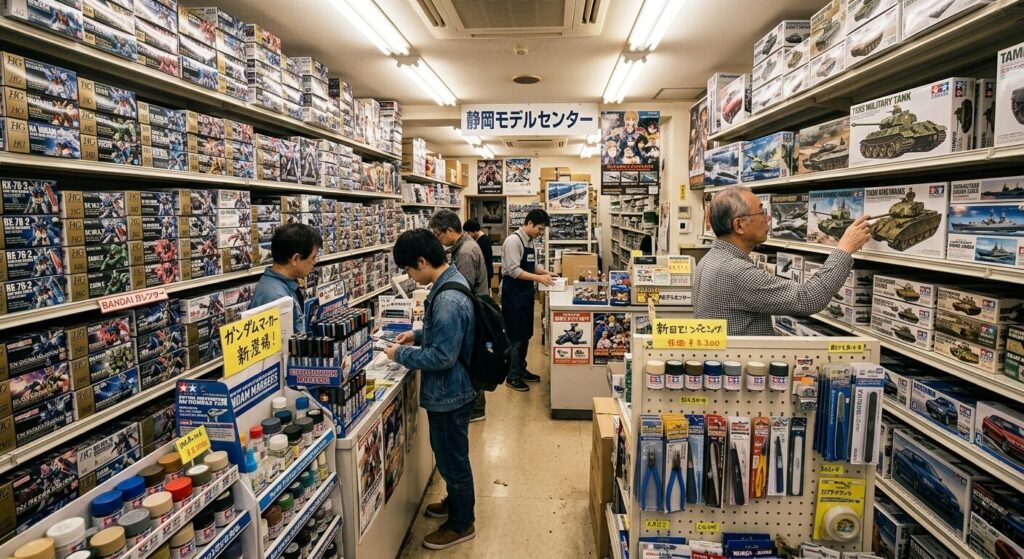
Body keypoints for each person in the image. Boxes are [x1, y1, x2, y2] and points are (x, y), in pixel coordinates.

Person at [384, 229, 477, 550]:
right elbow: (444, 334)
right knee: (450, 456)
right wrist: (418, 335)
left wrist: (400, 354)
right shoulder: (449, 281)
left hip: (450, 393)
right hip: (451, 390)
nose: (409, 276)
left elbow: (442, 356)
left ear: (422, 261)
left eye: (409, 269)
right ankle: (456, 501)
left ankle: (462, 523)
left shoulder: (448, 297)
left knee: (453, 459)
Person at [693, 186, 872, 335]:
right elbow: (808, 299)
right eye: (762, 212)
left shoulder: (710, 259)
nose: (768, 218)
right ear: (739, 225)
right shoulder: (736, 271)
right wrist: (844, 249)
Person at [429, 210, 490, 423]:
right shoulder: (463, 247)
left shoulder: (464, 252)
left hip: (473, 310)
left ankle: (476, 409)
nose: (438, 240)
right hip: (476, 307)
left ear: (451, 231)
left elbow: (460, 288)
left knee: (470, 360)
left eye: (438, 235)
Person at [501, 209, 557, 392]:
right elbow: (514, 270)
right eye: (539, 229)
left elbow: (532, 266)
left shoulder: (530, 241)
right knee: (516, 337)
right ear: (530, 223)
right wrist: (538, 279)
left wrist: (545, 272)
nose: (540, 233)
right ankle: (512, 375)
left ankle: (521, 369)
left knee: (525, 335)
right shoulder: (513, 241)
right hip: (513, 295)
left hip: (525, 295)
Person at [250, 223, 322, 334]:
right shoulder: (277, 298)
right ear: (295, 259)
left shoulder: (281, 285)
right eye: (313, 257)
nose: (315, 262)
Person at [463, 218, 494, 288]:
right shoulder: (478, 239)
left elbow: (485, 260)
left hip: (485, 274)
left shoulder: (484, 240)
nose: (468, 235)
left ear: (474, 231)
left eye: (468, 232)